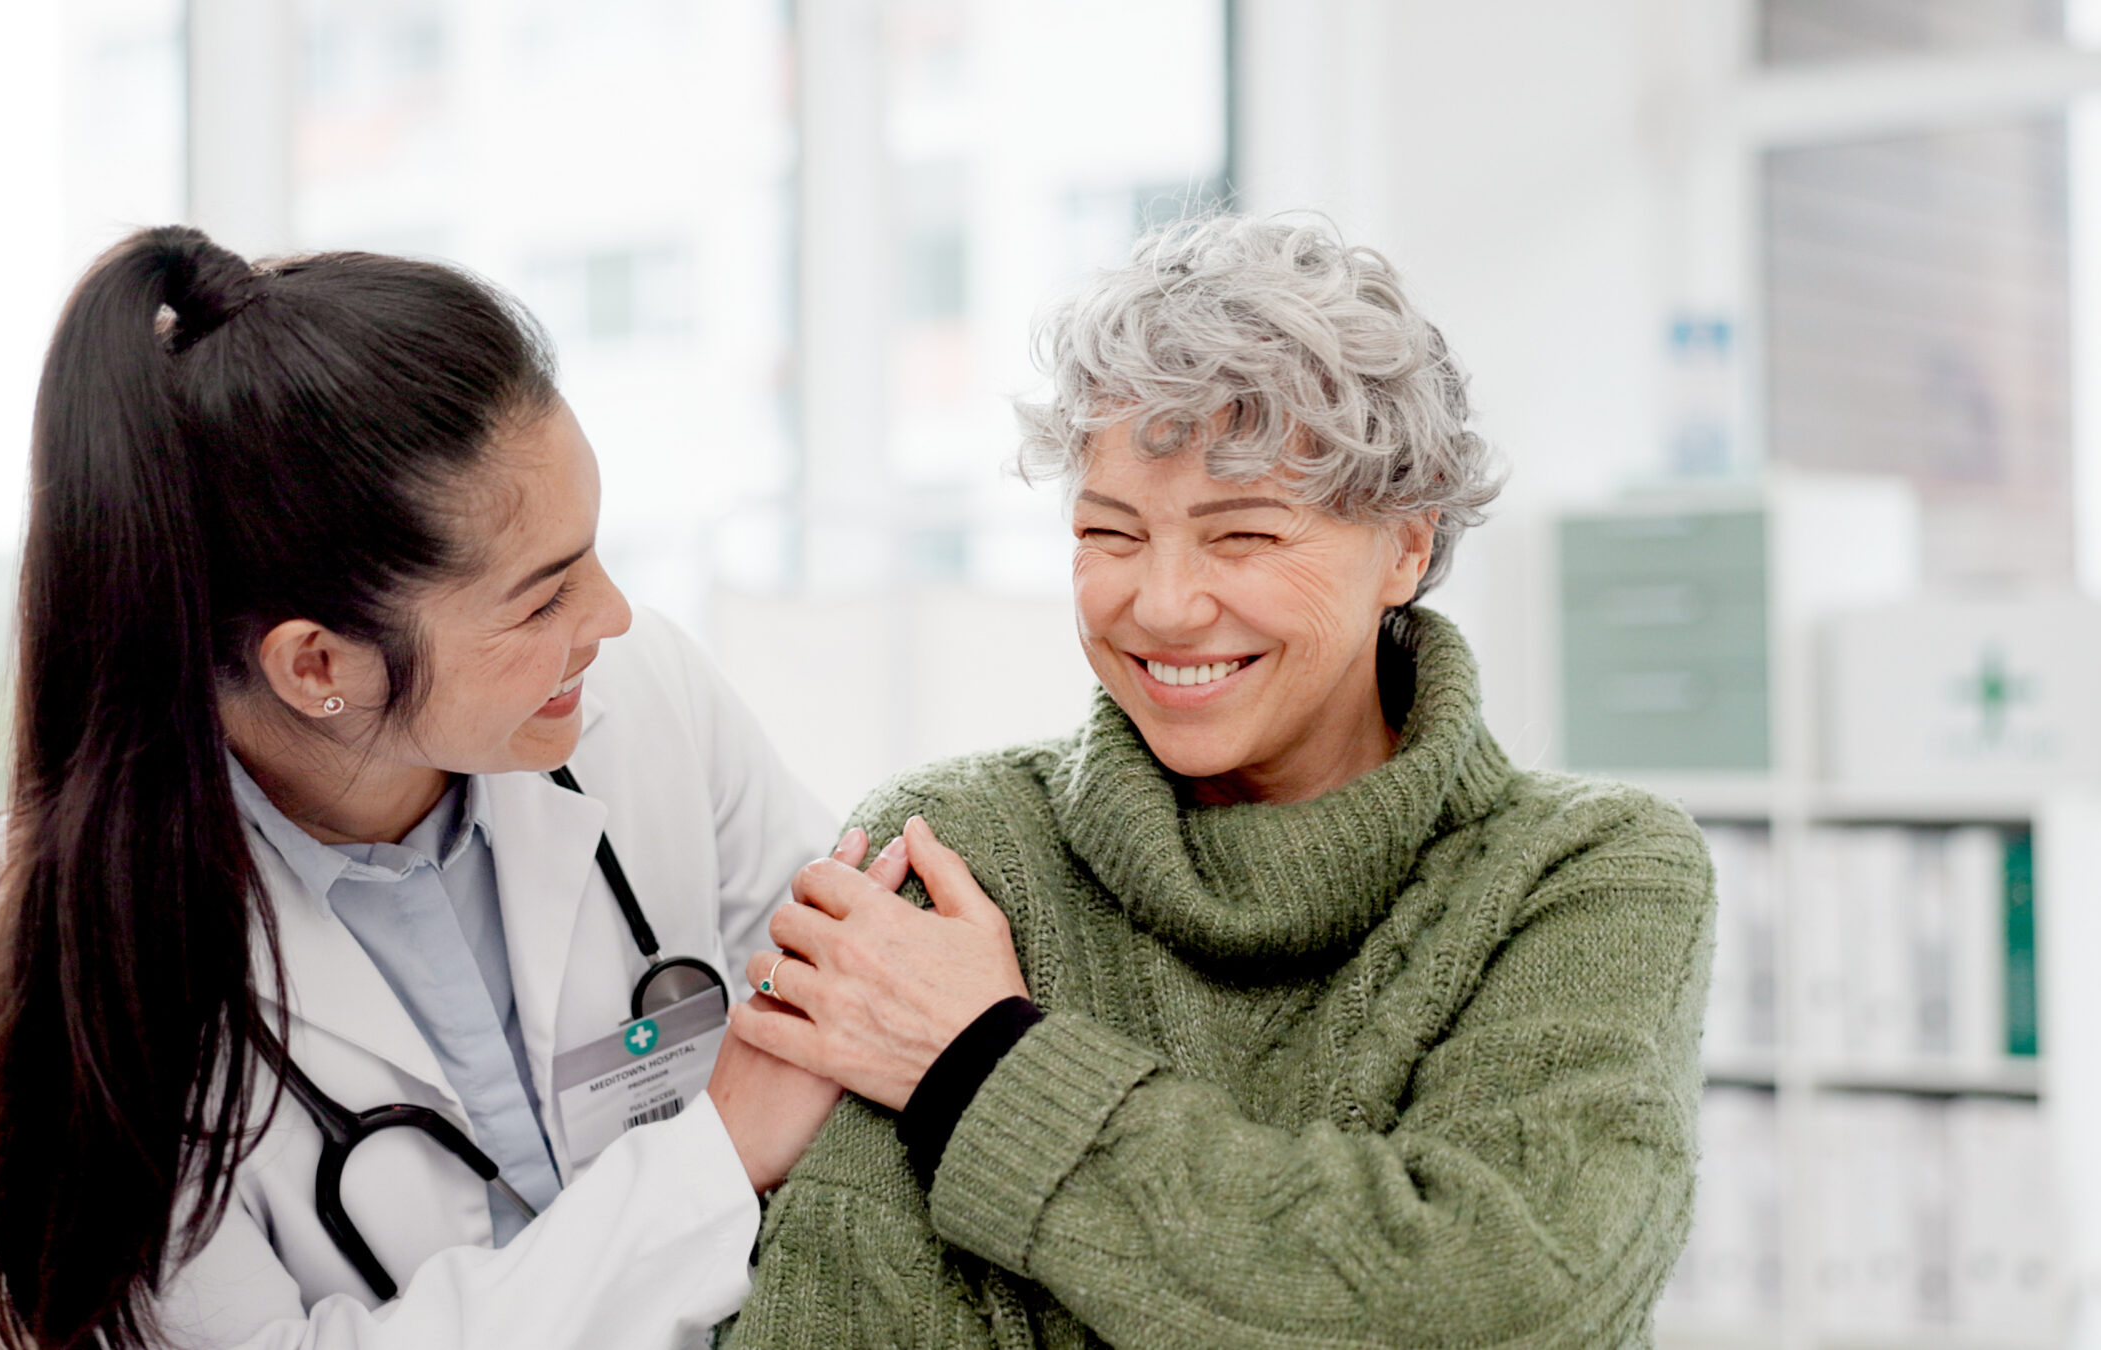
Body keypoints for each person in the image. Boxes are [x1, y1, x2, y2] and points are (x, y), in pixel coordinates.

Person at [719, 215, 1717, 1348]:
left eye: (1241, 536)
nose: (1163, 604)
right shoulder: (958, 849)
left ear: (1404, 544)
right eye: (1110, 531)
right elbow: (842, 1317)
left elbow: (1506, 1301)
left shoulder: (1586, 871)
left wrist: (982, 1068)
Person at [0, 227, 882, 1350]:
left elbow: (855, 1031)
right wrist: (707, 1167)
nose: (610, 618)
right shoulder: (39, 948)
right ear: (317, 665)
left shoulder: (642, 699)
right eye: (541, 598)